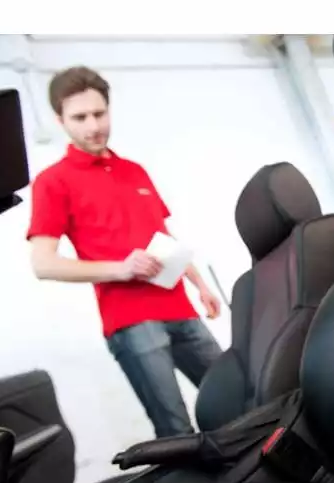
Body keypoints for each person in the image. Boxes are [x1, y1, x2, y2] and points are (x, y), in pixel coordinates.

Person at [26, 66, 223, 438]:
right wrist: (121, 269)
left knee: (240, 399)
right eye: (80, 118)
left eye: (99, 113)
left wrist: (200, 285)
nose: (93, 126)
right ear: (60, 121)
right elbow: (43, 264)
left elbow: (163, 236)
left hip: (181, 309)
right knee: (177, 432)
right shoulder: (53, 181)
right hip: (132, 323)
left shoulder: (135, 171)